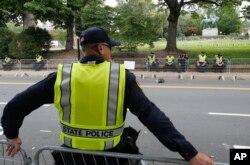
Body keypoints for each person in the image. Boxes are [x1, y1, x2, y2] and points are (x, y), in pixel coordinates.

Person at [1, 27, 214, 165]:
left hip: (70, 159)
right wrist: (190, 154)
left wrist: (12, 136)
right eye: (110, 47)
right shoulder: (121, 77)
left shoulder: (61, 76)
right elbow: (152, 117)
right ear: (102, 48)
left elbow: (15, 106)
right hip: (112, 159)